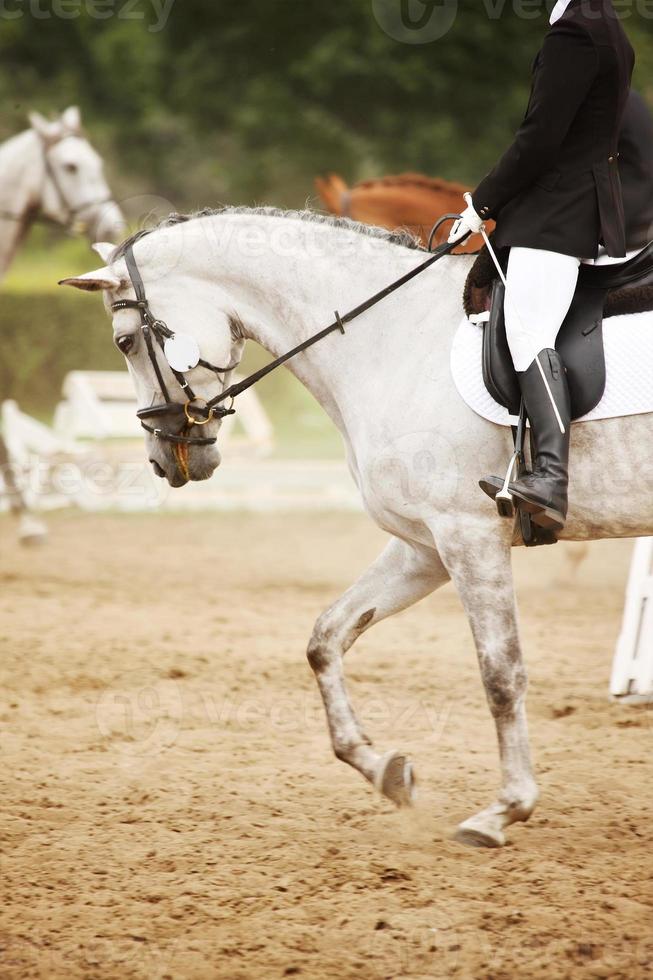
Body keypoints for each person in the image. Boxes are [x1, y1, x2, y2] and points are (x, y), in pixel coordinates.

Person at [449, 0, 635, 532]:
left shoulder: (575, 32)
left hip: (558, 212)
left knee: (529, 332)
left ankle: (550, 480)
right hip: (581, 204)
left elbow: (539, 139)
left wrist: (480, 205)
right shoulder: (607, 25)